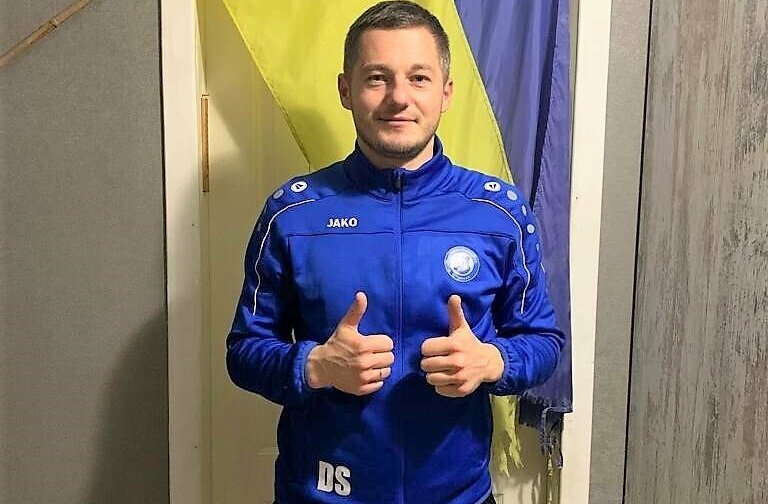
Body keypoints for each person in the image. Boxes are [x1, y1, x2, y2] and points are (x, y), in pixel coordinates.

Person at [226, 2, 565, 503]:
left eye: (419, 78)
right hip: (321, 494)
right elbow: (244, 351)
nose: (399, 98)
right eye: (377, 78)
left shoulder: (499, 213)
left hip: (460, 495)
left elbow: (544, 341)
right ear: (346, 90)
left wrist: (492, 361)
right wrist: (314, 365)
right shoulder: (293, 214)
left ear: (446, 91)